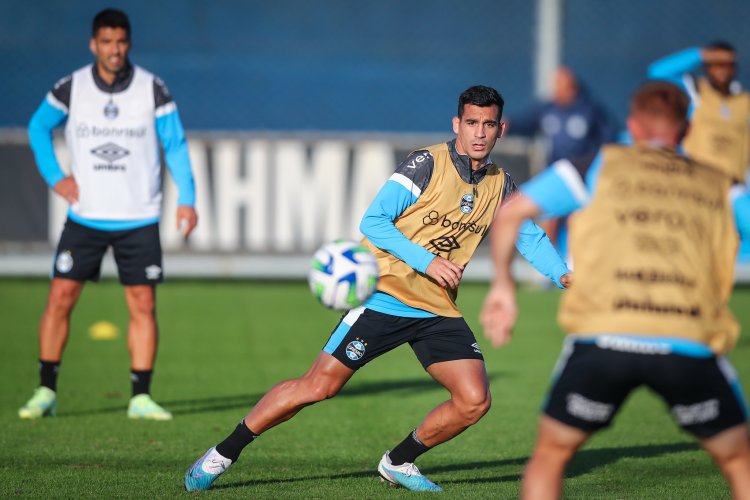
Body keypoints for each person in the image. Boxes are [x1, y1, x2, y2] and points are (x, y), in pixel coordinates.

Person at [184, 85, 570, 492]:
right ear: (457, 124)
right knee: (319, 386)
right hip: (384, 295)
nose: (479, 132)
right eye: (471, 123)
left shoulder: (500, 183)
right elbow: (373, 221)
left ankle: (398, 462)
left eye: (488, 125)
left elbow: (526, 235)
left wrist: (564, 275)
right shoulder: (426, 163)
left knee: (474, 400)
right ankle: (223, 453)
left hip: (436, 308)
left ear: (501, 129)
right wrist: (427, 261)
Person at [481, 81, 750, 499]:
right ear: (687, 130)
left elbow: (509, 215)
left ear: (632, 126)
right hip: (688, 340)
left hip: (605, 336)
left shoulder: (595, 165)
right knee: (738, 461)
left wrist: (503, 286)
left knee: (551, 455)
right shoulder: (722, 184)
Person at [19, 8, 197, 421]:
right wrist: (55, 177)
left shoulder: (153, 89)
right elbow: (37, 127)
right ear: (93, 44)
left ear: (128, 43)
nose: (114, 50)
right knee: (60, 297)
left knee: (142, 304)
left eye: (120, 42)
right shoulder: (72, 87)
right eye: (106, 42)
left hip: (139, 217)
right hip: (86, 217)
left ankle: (140, 396)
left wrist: (187, 197)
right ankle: (45, 390)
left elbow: (175, 145)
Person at [508, 66, 615, 251]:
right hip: (556, 173)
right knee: (549, 217)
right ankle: (548, 270)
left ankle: (578, 264)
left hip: (582, 175)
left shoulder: (590, 110)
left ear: (572, 86)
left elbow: (608, 138)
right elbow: (524, 123)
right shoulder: (547, 109)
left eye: (561, 84)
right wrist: (504, 125)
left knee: (579, 221)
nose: (557, 89)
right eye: (555, 84)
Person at [648, 41, 750, 184]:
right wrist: (701, 54)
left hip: (733, 188)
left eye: (726, 64)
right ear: (706, 66)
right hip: (696, 184)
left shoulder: (744, 102)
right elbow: (657, 72)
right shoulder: (695, 92)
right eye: (716, 63)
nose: (721, 70)